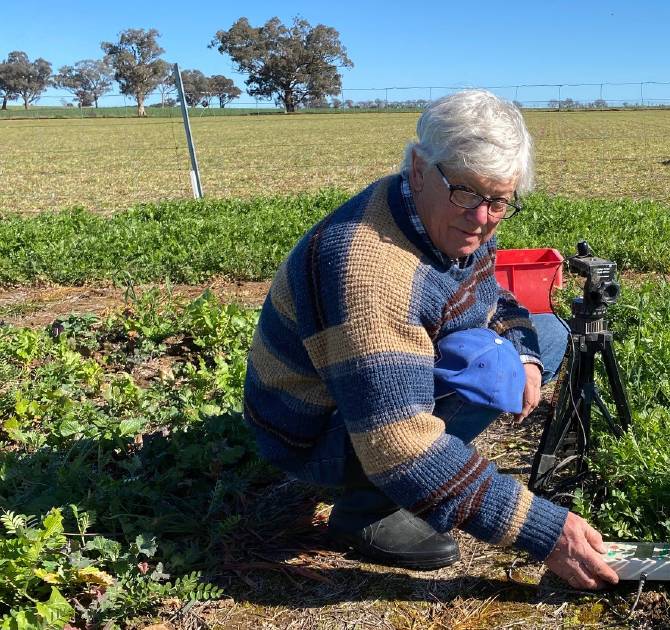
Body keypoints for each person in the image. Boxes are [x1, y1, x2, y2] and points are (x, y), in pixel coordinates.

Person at [242, 89, 619, 590]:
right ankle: (363, 510)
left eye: (499, 201)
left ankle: (411, 480)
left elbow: (493, 298)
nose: (482, 218)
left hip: (366, 387)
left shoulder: (448, 217)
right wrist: (546, 533)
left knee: (545, 335)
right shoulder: (370, 272)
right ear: (419, 167)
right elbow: (397, 443)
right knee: (479, 376)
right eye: (466, 192)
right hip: (310, 435)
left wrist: (525, 357)